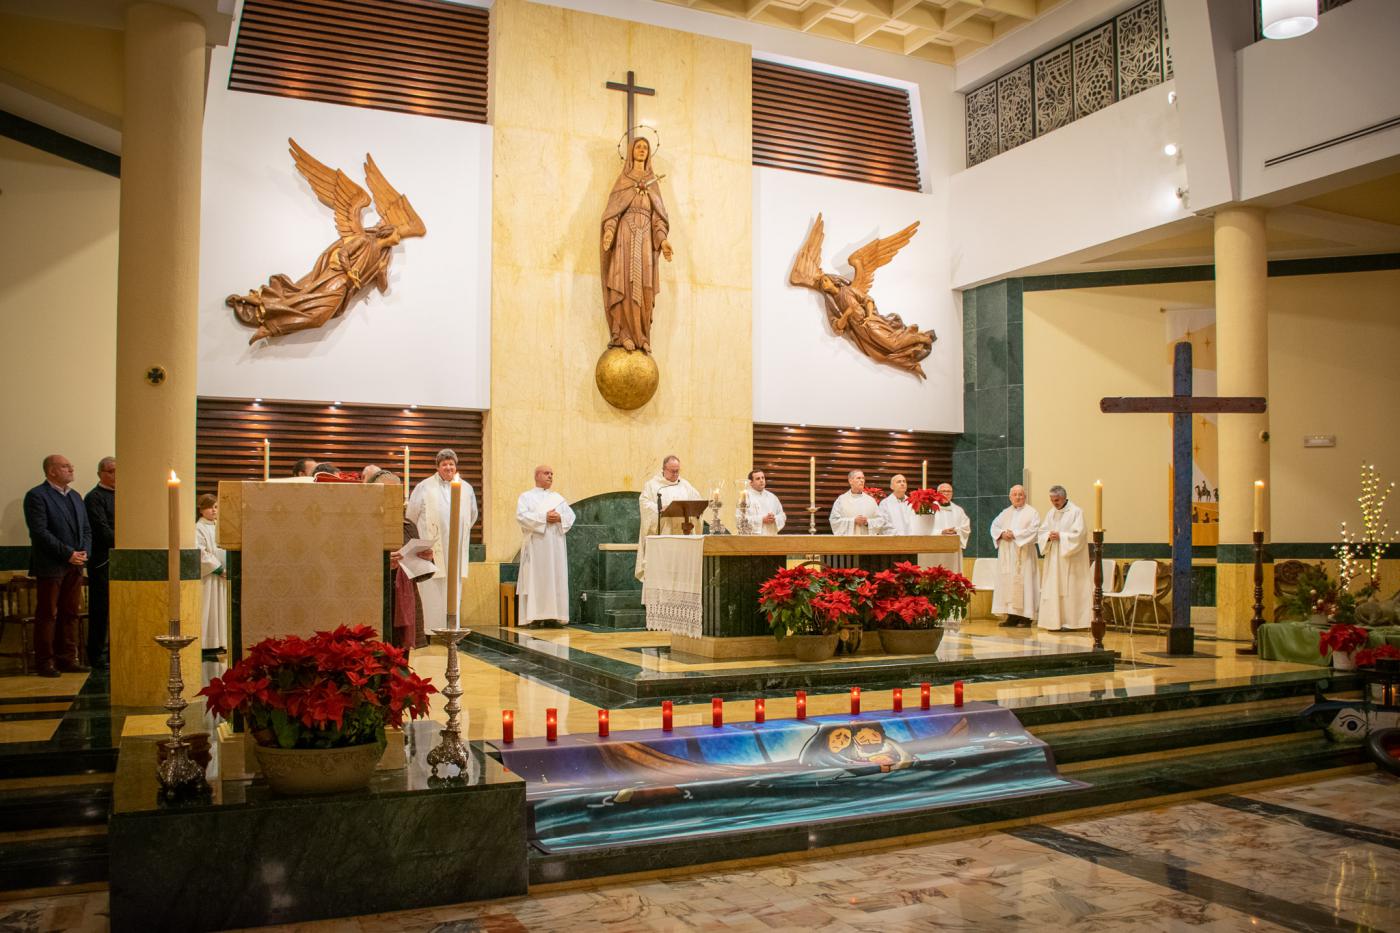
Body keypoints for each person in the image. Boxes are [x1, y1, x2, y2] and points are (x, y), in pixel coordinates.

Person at [600, 134, 673, 353]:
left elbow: (658, 218)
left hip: (645, 241)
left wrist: (663, 241)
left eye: (645, 147)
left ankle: (642, 334)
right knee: (624, 282)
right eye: (638, 146)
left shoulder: (653, 184)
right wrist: (609, 232)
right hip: (625, 237)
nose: (641, 150)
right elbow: (613, 211)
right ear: (631, 151)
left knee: (644, 287)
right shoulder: (624, 181)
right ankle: (622, 333)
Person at [23, 455, 91, 677]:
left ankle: (67, 658)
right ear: (51, 471)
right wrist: (67, 553)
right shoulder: (37, 496)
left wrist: (83, 553)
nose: (71, 469)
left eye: (71, 465)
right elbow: (40, 532)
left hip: (75, 564)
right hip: (51, 564)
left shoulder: (76, 497)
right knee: (48, 614)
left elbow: (86, 529)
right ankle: (45, 662)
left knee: (70, 612)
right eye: (65, 466)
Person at [406, 449, 478, 627]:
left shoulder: (466, 488)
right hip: (431, 549)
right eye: (444, 464)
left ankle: (452, 627)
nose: (448, 467)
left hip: (455, 548)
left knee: (453, 588)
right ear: (437, 467)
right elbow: (411, 516)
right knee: (431, 589)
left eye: (451, 464)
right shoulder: (424, 486)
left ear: (456, 466)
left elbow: (473, 514)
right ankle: (430, 629)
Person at [516, 466, 576, 626]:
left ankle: (553, 616)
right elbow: (521, 517)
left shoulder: (558, 498)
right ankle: (535, 617)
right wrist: (544, 517)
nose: (550, 476)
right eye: (546, 473)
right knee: (537, 578)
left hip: (555, 545)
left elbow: (571, 517)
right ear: (536, 476)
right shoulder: (526, 497)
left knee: (555, 577)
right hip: (537, 546)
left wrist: (560, 517)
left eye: (552, 474)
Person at [375, 471, 428, 652]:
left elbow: (421, 575)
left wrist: (425, 559)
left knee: (401, 656)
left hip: (405, 598)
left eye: (395, 493)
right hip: (378, 599)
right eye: (385, 491)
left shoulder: (408, 525)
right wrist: (382, 562)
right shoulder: (366, 525)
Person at [636, 455, 701, 581]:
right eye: (673, 471)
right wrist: (659, 510)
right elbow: (644, 504)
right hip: (663, 537)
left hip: (683, 538)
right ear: (664, 469)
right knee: (663, 575)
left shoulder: (685, 485)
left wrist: (694, 512)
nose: (676, 474)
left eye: (678, 471)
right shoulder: (653, 485)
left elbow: (697, 502)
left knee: (681, 575)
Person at [1037, 485, 1091, 631]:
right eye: (1052, 500)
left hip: (1070, 560)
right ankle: (1054, 621)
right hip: (1054, 559)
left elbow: (1080, 535)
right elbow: (1041, 532)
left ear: (1064, 497)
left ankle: (1072, 622)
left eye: (1057, 500)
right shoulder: (1051, 513)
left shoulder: (1076, 512)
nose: (1055, 503)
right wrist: (1048, 536)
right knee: (1054, 587)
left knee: (1070, 588)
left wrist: (1061, 536)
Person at [989, 485, 1040, 627]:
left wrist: (1015, 534)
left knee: (1025, 582)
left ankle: (1026, 617)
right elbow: (994, 526)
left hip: (1023, 554)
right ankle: (1011, 615)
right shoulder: (1006, 512)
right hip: (1007, 554)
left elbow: (1034, 530)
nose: (1018, 497)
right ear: (1010, 497)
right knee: (1008, 584)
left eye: (1020, 494)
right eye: (1015, 494)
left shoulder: (1032, 512)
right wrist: (1002, 534)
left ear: (1025, 497)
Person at [83, 457, 116, 669]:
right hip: (103, 560)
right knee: (101, 609)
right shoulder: (94, 497)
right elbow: (101, 529)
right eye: (112, 471)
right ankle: (97, 654)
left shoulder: (126, 495)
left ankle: (118, 649)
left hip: (122, 559)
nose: (117, 475)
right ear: (101, 474)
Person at [195, 494, 228, 655]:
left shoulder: (219, 525)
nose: (214, 510)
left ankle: (221, 640)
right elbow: (200, 552)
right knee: (210, 607)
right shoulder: (198, 528)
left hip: (224, 574)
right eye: (210, 507)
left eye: (216, 507)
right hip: (210, 576)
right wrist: (218, 568)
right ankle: (208, 640)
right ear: (201, 510)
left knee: (222, 607)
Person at [928, 482, 971, 574]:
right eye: (943, 491)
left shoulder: (958, 510)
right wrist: (941, 532)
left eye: (949, 491)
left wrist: (956, 531)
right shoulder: (929, 509)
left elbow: (965, 528)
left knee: (952, 572)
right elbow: (923, 529)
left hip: (953, 551)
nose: (946, 494)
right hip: (934, 549)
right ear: (938, 493)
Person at [830, 470, 886, 536]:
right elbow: (834, 521)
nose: (862, 480)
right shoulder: (841, 500)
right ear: (850, 481)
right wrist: (853, 521)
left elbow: (880, 520)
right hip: (848, 542)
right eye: (858, 478)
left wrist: (867, 522)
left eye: (863, 478)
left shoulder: (870, 500)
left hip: (867, 541)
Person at [736, 470, 785, 535]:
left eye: (763, 478)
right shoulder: (745, 498)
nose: (761, 480)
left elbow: (782, 516)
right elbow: (740, 520)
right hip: (752, 538)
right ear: (751, 483)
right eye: (758, 479)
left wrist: (774, 519)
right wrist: (762, 520)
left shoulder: (773, 497)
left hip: (771, 537)